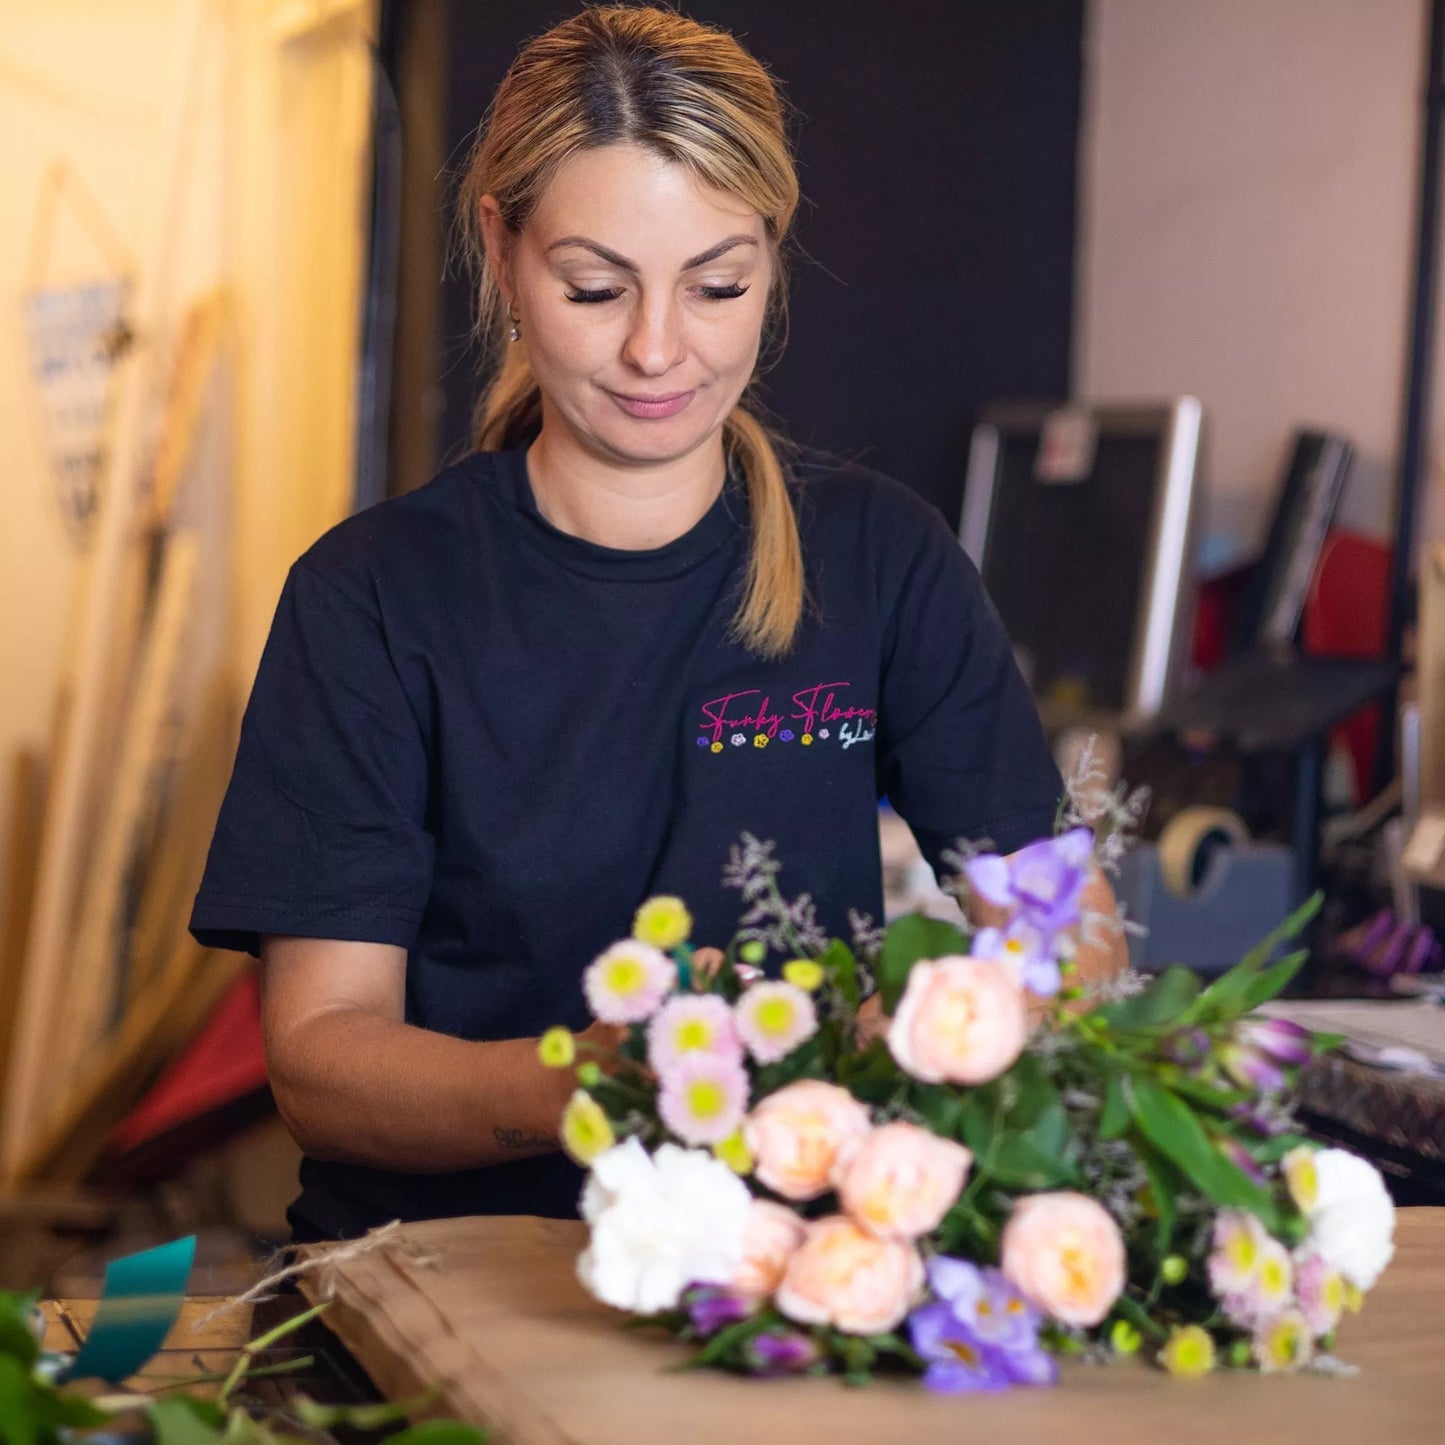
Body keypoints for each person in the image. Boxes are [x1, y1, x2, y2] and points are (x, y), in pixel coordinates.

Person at [189, 4, 1124, 1244]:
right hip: (449, 1274)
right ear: (502, 250)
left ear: (771, 258)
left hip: (787, 1272)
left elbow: (1074, 938)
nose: (654, 348)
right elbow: (322, 1059)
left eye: (716, 283)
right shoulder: (374, 596)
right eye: (593, 286)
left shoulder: (877, 558)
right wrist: (607, 1079)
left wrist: (930, 1024)